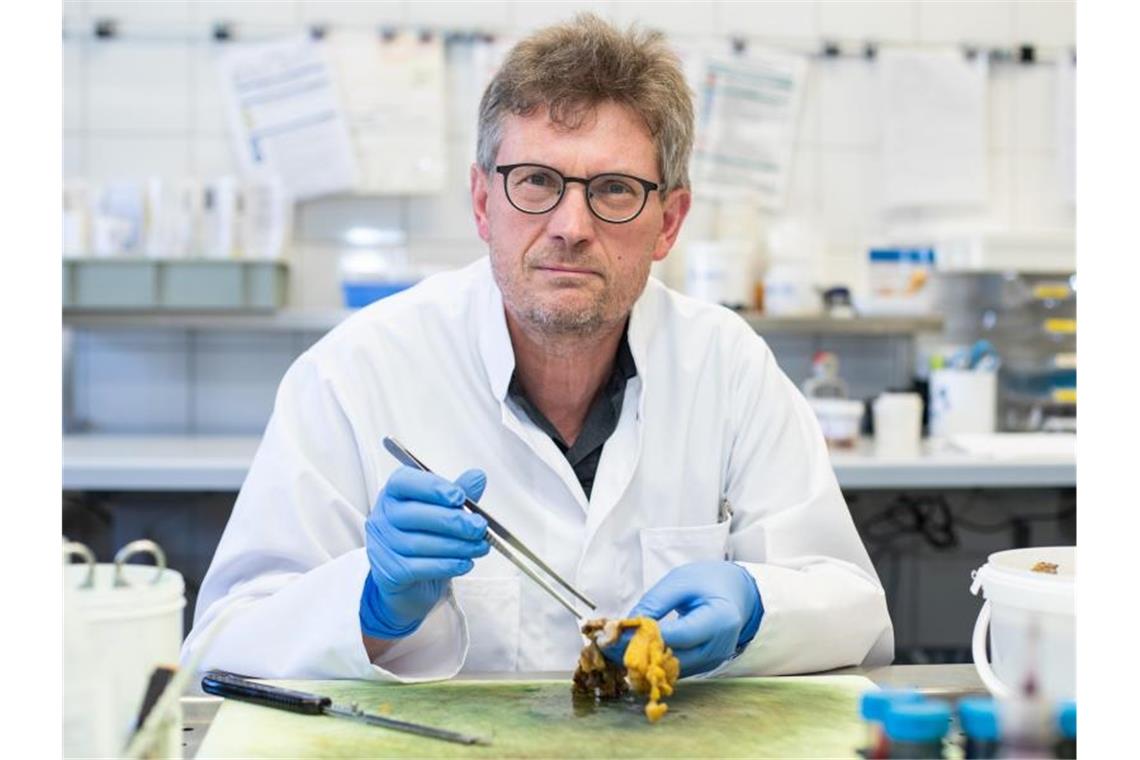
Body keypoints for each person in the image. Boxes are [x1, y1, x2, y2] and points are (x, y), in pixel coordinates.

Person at [181, 14, 893, 682]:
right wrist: (369, 606)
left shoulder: (726, 365)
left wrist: (757, 609)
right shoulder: (354, 373)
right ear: (484, 203)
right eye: (536, 183)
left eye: (614, 189)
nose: (570, 226)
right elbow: (220, 650)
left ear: (669, 221)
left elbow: (857, 613)